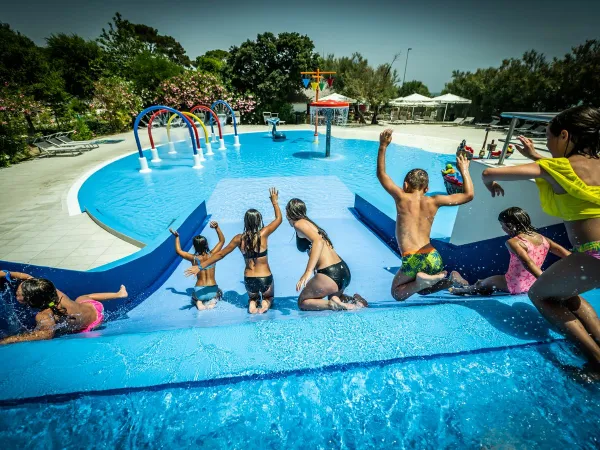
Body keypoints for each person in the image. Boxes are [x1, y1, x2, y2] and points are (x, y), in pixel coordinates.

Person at [481, 105, 600, 367]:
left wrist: (489, 183)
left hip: (595, 252)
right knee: (568, 294)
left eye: (548, 138)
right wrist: (536, 155)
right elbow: (560, 173)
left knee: (540, 294)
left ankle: (596, 359)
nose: (548, 144)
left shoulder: (560, 167)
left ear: (565, 136)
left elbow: (490, 172)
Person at [377, 129, 475, 301]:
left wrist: (383, 146)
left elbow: (382, 174)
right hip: (433, 256)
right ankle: (449, 279)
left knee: (398, 293)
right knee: (422, 289)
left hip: (413, 258)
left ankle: (426, 280)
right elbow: (468, 195)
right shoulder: (434, 200)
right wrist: (464, 170)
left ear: (405, 184)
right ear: (427, 189)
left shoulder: (401, 197)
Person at [185, 188, 282, 314]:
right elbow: (278, 219)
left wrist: (200, 266)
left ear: (245, 222)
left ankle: (252, 306)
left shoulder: (238, 239)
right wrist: (274, 201)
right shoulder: (263, 234)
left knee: (252, 298)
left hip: (249, 278)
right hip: (265, 277)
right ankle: (264, 306)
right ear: (259, 221)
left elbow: (220, 254)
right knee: (268, 297)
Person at [450, 207, 570, 296]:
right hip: (532, 284)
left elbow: (528, 263)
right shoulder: (543, 239)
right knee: (487, 285)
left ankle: (460, 290)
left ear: (510, 225)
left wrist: (547, 283)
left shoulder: (514, 242)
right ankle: (470, 287)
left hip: (513, 283)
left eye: (503, 225)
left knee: (481, 284)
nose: (502, 228)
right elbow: (567, 255)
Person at [286, 198, 368, 311]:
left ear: (288, 212)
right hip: (343, 271)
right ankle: (355, 301)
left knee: (303, 302)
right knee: (334, 297)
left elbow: (318, 241)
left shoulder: (299, 224)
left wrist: (307, 272)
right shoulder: (310, 224)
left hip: (329, 273)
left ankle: (332, 305)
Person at [0, 272, 127, 344]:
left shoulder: (44, 315)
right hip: (97, 310)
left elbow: (46, 335)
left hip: (90, 328)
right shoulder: (53, 292)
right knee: (82, 298)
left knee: (65, 329)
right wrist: (7, 274)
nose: (16, 293)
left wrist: (11, 339)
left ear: (32, 300)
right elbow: (28, 278)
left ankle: (118, 294)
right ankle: (118, 294)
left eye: (18, 294)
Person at [169, 221, 225, 310]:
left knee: (194, 295)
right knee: (219, 292)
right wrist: (217, 227)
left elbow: (178, 251)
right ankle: (213, 302)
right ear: (206, 245)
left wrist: (176, 237)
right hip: (212, 289)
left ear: (194, 247)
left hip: (199, 292)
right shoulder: (213, 255)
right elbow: (222, 241)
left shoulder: (193, 258)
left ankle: (199, 302)